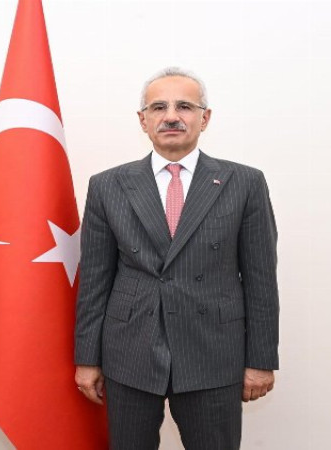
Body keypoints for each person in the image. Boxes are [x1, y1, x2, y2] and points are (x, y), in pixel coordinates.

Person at [74, 67, 279, 450]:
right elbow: (95, 280)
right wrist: (87, 358)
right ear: (143, 120)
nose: (171, 116)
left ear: (205, 117)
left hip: (214, 354)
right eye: (159, 107)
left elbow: (261, 279)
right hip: (129, 354)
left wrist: (261, 359)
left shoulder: (245, 183)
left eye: (184, 106)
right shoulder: (107, 185)